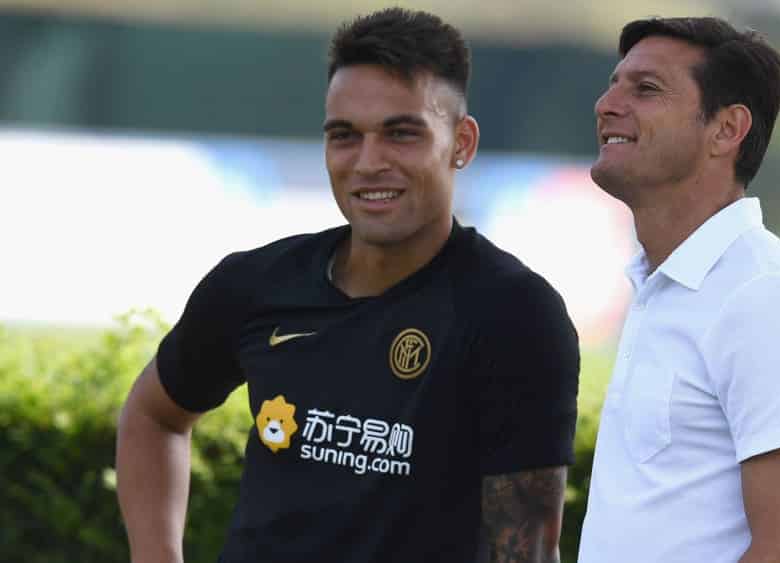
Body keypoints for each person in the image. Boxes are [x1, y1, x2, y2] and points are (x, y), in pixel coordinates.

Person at [115, 8, 579, 563]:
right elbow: (154, 416)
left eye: (401, 134)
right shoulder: (257, 283)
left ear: (462, 142)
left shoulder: (514, 313)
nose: (368, 162)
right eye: (344, 136)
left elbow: (526, 553)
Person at [577, 17, 780, 563]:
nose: (606, 105)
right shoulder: (664, 285)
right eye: (613, 84)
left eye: (645, 89)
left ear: (726, 129)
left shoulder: (767, 297)